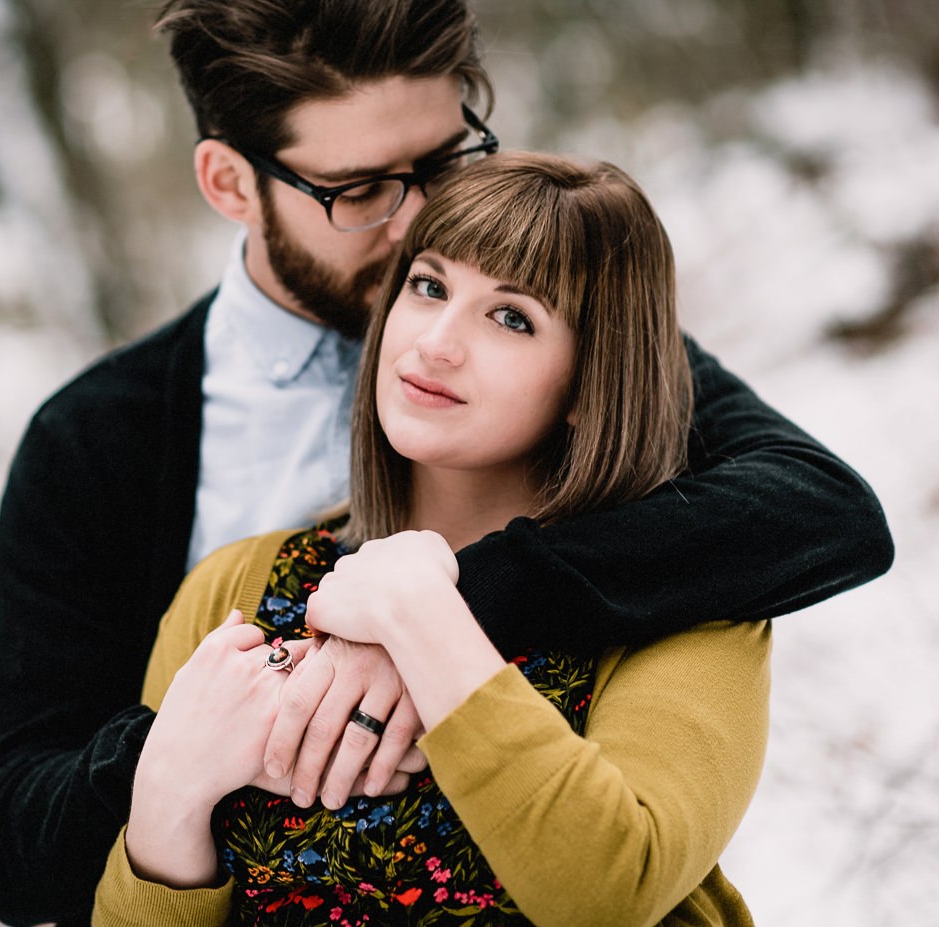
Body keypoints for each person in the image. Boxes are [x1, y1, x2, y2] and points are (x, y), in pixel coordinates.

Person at [0, 2, 893, 924]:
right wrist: (181, 753)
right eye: (360, 188)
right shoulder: (99, 444)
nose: (418, 219)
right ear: (230, 184)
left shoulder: (564, 345)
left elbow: (820, 509)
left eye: (444, 164)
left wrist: (441, 609)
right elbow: (14, 845)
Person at [92, 152, 773, 926]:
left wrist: (422, 617)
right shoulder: (237, 587)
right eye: (429, 285)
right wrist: (167, 799)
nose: (437, 342)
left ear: (591, 382)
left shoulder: (683, 597)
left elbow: (609, 891)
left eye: (512, 317)